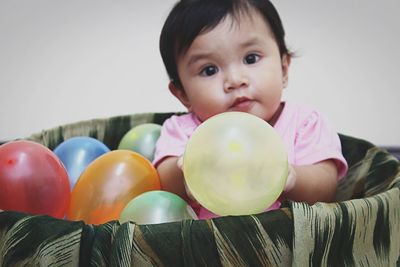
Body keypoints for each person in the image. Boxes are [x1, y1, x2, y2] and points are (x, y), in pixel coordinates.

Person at [153, 0, 348, 219]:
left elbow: (326, 187)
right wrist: (188, 171)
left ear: (284, 69)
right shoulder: (183, 130)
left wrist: (289, 177)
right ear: (183, 94)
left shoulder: (304, 123)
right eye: (209, 70)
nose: (235, 80)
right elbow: (165, 184)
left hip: (287, 248)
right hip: (206, 249)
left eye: (251, 58)